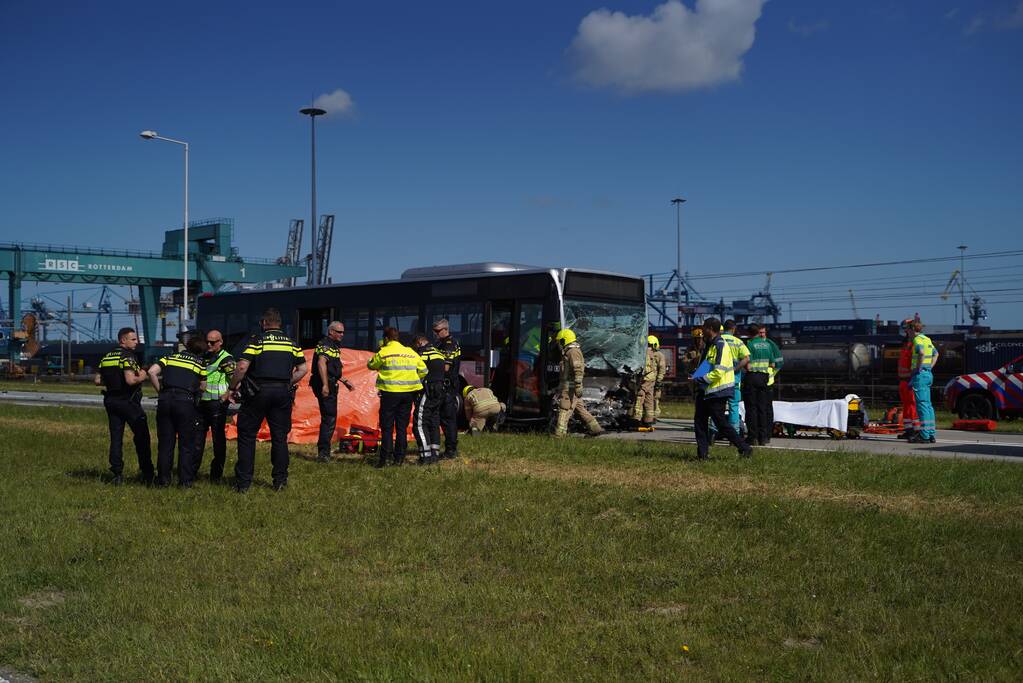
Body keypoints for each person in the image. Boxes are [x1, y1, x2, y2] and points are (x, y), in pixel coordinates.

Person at [228, 308, 307, 493]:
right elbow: (303, 369)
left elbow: (241, 367)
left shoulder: (257, 341)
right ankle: (280, 481)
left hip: (257, 393)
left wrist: (232, 387)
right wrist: (287, 382)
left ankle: (244, 484)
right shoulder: (291, 343)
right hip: (282, 393)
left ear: (264, 323)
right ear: (279, 324)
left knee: (247, 436)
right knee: (280, 438)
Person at [94, 327, 154, 485]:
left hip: (111, 401)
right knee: (142, 436)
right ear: (123, 340)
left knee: (116, 438)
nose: (137, 342)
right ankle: (147, 473)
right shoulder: (127, 356)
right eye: (133, 339)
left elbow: (98, 381)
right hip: (128, 401)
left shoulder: (106, 357)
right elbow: (130, 380)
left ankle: (117, 473)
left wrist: (113, 380)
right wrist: (143, 374)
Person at [147, 335, 208, 488]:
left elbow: (151, 372)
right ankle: (185, 482)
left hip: (165, 401)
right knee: (186, 444)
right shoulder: (199, 363)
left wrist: (160, 390)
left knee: (166, 444)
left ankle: (162, 481)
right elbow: (203, 386)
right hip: (185, 402)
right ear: (201, 352)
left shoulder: (170, 357)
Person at [692, 318, 752, 460]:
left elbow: (719, 371)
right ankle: (702, 455)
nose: (702, 331)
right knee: (699, 422)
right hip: (706, 390)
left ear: (710, 329)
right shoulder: (711, 345)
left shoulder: (720, 346)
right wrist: (695, 376)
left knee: (721, 423)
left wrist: (700, 379)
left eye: (704, 328)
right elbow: (707, 364)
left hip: (717, 391)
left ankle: (744, 448)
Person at [368, 327, 427, 467]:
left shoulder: (384, 352)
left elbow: (370, 365)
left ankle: (385, 459)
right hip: (408, 394)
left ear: (386, 339)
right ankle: (399, 459)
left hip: (389, 394)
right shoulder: (410, 352)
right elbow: (424, 370)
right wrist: (413, 380)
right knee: (402, 427)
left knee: (387, 427)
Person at [310, 322, 354, 463]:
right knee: (329, 418)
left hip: (330, 382)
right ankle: (323, 454)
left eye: (343, 332)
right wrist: (324, 385)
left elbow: (333, 369)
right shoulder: (325, 345)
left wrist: (345, 381)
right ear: (331, 332)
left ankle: (324, 451)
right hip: (326, 384)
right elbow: (321, 363)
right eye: (339, 332)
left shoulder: (333, 346)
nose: (342, 335)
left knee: (329, 418)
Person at [196, 329, 236, 481]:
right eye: (207, 341)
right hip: (202, 404)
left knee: (218, 441)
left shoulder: (226, 359)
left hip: (217, 405)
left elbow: (235, 379)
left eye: (212, 342)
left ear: (220, 342)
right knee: (197, 439)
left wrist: (227, 395)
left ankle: (216, 475)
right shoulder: (204, 356)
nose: (208, 344)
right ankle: (192, 472)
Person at [552, 328, 605, 437]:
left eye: (560, 341)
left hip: (570, 387)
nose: (559, 344)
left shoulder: (573, 352)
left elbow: (577, 369)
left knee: (564, 407)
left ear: (564, 340)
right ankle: (595, 428)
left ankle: (559, 434)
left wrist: (577, 386)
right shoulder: (569, 351)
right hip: (570, 386)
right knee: (579, 408)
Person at [743, 324, 783, 446]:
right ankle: (763, 437)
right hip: (764, 379)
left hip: (752, 377)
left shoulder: (749, 344)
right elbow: (773, 364)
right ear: (758, 332)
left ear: (749, 334)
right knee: (762, 409)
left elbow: (748, 365)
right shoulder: (768, 345)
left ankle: (752, 437)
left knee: (751, 409)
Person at [412, 335, 446, 465]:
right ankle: (434, 454)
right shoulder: (439, 352)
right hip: (440, 390)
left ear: (420, 342)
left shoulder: (422, 354)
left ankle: (425, 457)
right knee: (434, 421)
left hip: (427, 391)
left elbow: (416, 371)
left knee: (420, 423)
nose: (415, 348)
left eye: (416, 345)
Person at [432, 318, 461, 459]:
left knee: (448, 418)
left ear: (445, 330)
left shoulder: (449, 344)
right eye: (434, 331)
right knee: (444, 418)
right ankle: (450, 448)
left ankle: (451, 450)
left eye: (437, 331)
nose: (435, 334)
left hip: (448, 386)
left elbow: (446, 367)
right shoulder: (442, 343)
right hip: (446, 385)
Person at [908, 321, 939, 444]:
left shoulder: (917, 340)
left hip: (920, 376)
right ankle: (931, 434)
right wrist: (929, 367)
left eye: (908, 330)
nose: (907, 333)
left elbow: (920, 353)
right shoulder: (927, 339)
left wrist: (918, 369)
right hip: (928, 375)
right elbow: (936, 354)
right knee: (928, 405)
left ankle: (924, 435)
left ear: (912, 329)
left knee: (922, 406)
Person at [719, 320, 750, 436]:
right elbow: (746, 359)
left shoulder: (718, 340)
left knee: (717, 406)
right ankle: (734, 434)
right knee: (734, 407)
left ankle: (713, 432)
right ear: (733, 329)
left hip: (719, 380)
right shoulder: (738, 342)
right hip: (734, 380)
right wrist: (736, 369)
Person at [896, 319, 920, 439]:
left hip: (910, 380)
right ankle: (908, 429)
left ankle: (916, 430)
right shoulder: (906, 344)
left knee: (912, 405)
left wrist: (913, 377)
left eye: (906, 329)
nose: (905, 332)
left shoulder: (915, 344)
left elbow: (915, 362)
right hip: (903, 380)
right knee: (906, 405)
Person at [631, 336, 660, 428]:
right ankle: (648, 420)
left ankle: (636, 419)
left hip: (646, 379)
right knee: (649, 399)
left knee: (640, 395)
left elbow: (645, 369)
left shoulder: (646, 352)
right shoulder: (652, 353)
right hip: (651, 378)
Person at [650, 335, 667, 419]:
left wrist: (659, 380)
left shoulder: (659, 355)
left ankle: (654, 416)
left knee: (655, 399)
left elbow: (662, 369)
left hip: (655, 380)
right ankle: (647, 416)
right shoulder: (646, 354)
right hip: (648, 380)